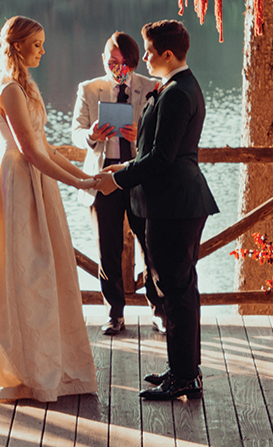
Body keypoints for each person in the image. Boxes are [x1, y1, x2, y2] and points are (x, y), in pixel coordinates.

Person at [0, 16, 98, 402]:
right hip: (18, 183)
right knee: (23, 271)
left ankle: (47, 362)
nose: (42, 51)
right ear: (17, 45)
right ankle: (24, 367)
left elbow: (47, 148)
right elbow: (31, 153)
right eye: (36, 45)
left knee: (46, 273)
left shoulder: (26, 86)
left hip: (37, 183)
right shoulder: (10, 89)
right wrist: (81, 184)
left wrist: (85, 175)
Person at [94, 19, 218, 401]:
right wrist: (121, 168)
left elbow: (163, 158)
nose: (144, 57)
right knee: (178, 288)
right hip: (172, 201)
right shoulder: (176, 87)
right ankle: (182, 371)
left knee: (176, 290)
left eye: (148, 51)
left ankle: (185, 378)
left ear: (167, 54)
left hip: (175, 203)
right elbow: (155, 153)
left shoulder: (178, 93)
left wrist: (119, 179)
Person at [71, 31, 165, 337]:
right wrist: (90, 136)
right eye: (113, 61)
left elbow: (162, 137)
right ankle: (114, 313)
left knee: (150, 244)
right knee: (106, 247)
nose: (118, 68)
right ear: (103, 59)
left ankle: (159, 310)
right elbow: (75, 130)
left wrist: (139, 135)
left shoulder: (152, 88)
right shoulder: (89, 89)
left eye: (124, 63)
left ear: (134, 64)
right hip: (103, 174)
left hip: (139, 173)